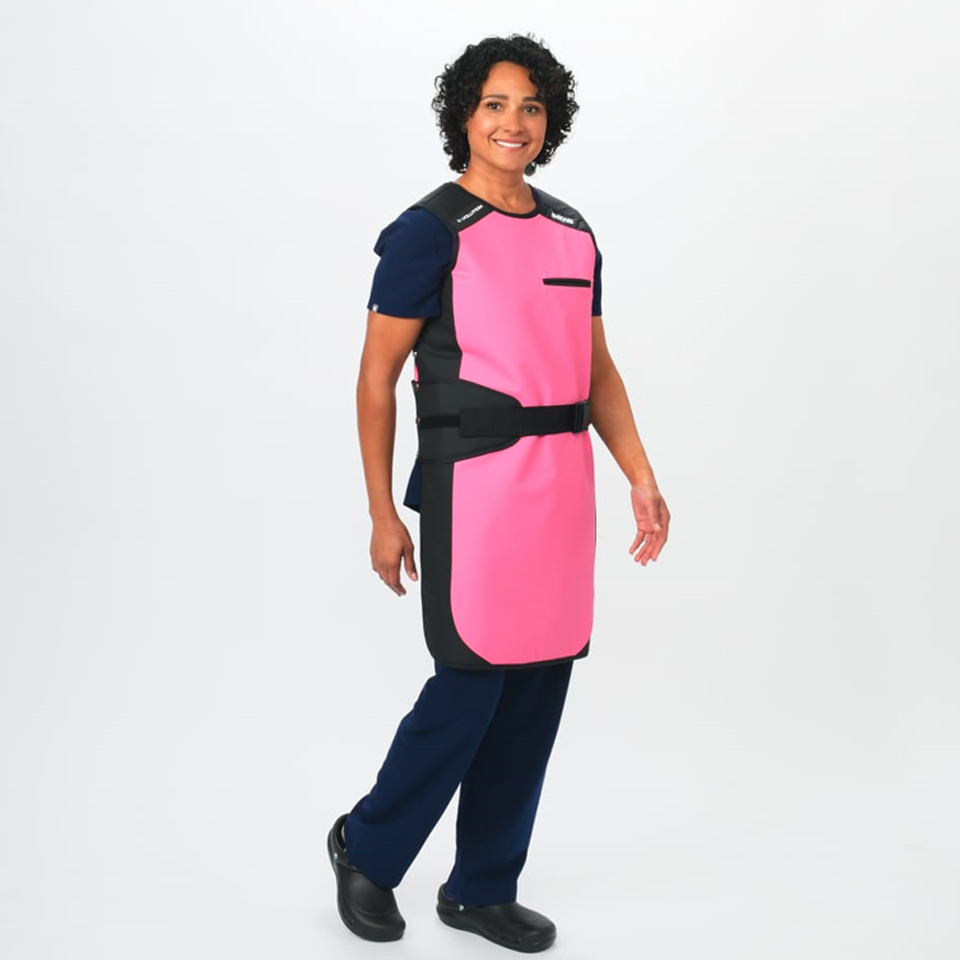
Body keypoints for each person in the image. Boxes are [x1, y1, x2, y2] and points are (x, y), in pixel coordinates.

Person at [328, 34, 669, 953]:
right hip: (471, 490)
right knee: (470, 684)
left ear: (550, 119)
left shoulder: (573, 232)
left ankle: (481, 887)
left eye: (531, 106)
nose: (513, 122)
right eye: (494, 104)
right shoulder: (427, 231)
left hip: (560, 489)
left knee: (538, 689)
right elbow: (375, 378)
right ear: (464, 117)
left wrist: (639, 474)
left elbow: (597, 369)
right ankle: (367, 848)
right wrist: (381, 512)